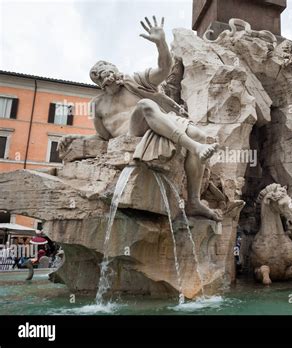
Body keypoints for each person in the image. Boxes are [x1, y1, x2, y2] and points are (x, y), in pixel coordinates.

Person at [59, 16, 221, 221]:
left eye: (110, 71)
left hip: (160, 124)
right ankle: (193, 146)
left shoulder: (134, 81)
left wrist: (161, 43)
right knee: (145, 105)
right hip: (132, 135)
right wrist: (75, 137)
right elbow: (102, 138)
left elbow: (164, 70)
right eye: (102, 76)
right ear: (99, 83)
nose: (109, 76)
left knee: (200, 135)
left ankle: (194, 201)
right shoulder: (98, 105)